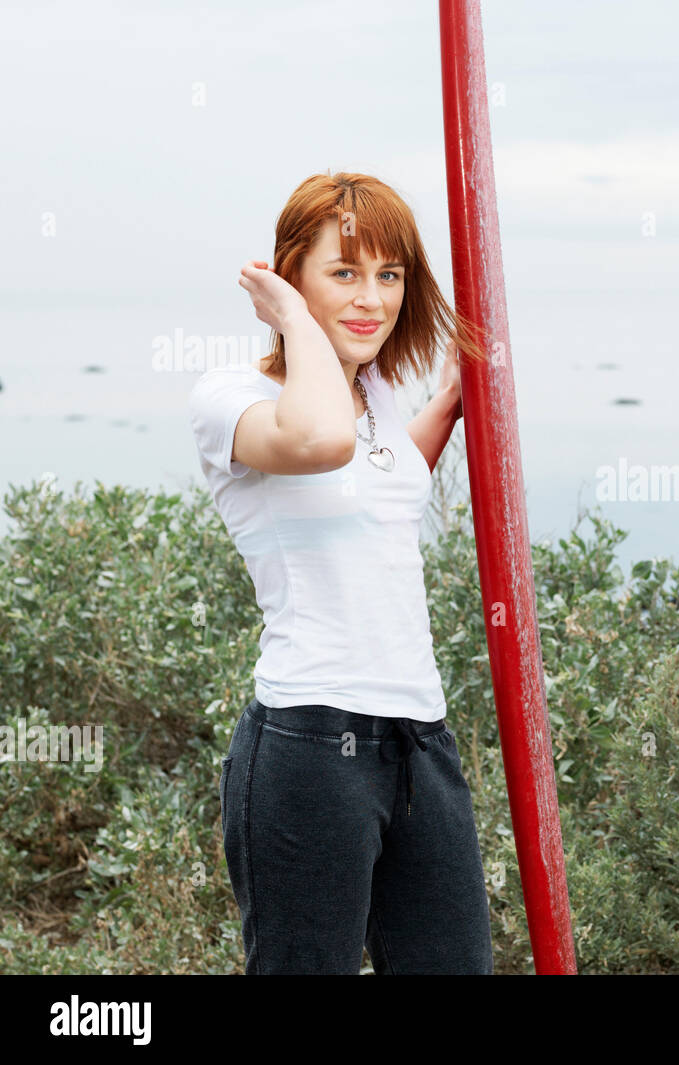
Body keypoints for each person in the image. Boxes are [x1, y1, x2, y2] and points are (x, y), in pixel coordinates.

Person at [187, 172, 493, 974]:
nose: (373, 298)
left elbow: (384, 483)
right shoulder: (233, 399)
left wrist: (453, 401)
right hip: (311, 742)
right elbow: (321, 444)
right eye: (344, 272)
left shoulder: (379, 397)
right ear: (292, 275)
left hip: (421, 742)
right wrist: (293, 317)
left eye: (389, 275)